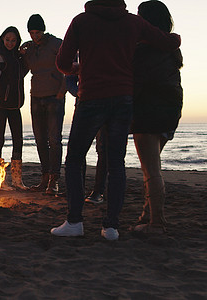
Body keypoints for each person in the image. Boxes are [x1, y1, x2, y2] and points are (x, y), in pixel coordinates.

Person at [51, 0, 181, 240]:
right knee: (116, 163)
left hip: (91, 98)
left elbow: (62, 63)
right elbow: (169, 42)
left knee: (75, 159)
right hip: (122, 99)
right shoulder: (133, 22)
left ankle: (75, 222)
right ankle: (111, 227)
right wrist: (177, 38)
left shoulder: (82, 21)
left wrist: (79, 68)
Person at [131, 0, 183, 234]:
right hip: (170, 111)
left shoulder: (145, 49)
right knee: (151, 168)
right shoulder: (171, 48)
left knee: (151, 169)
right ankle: (147, 214)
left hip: (148, 112)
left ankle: (157, 223)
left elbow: (137, 83)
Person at [20, 14, 67, 195]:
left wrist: (62, 91)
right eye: (31, 32)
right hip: (36, 97)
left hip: (54, 97)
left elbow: (70, 64)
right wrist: (21, 52)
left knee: (54, 140)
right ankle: (45, 178)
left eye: (37, 32)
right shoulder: (30, 48)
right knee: (40, 140)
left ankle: (54, 181)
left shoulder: (57, 44)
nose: (35, 35)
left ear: (43, 29)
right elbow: (24, 70)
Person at [0, 26, 29, 191]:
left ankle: (17, 180)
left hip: (15, 104)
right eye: (7, 40)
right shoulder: (0, 56)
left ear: (17, 41)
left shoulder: (17, 57)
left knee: (18, 139)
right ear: (2, 40)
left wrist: (24, 55)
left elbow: (21, 74)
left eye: (13, 40)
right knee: (0, 138)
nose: (10, 43)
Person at [66, 73, 108, 204]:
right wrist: (78, 92)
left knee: (102, 148)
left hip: (107, 99)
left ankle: (98, 191)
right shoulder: (81, 54)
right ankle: (78, 189)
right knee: (78, 149)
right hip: (85, 100)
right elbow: (69, 76)